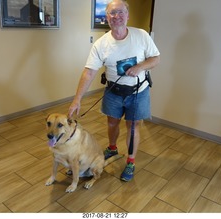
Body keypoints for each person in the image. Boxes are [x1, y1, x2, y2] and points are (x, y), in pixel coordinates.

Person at [68, 0, 160, 181]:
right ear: (106, 17)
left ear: (127, 15)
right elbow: (89, 72)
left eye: (120, 12)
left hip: (137, 92)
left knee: (132, 127)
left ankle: (131, 161)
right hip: (113, 91)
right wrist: (77, 99)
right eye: (112, 13)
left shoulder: (140, 36)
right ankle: (112, 147)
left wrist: (140, 66)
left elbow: (156, 59)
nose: (116, 16)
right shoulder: (101, 44)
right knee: (112, 123)